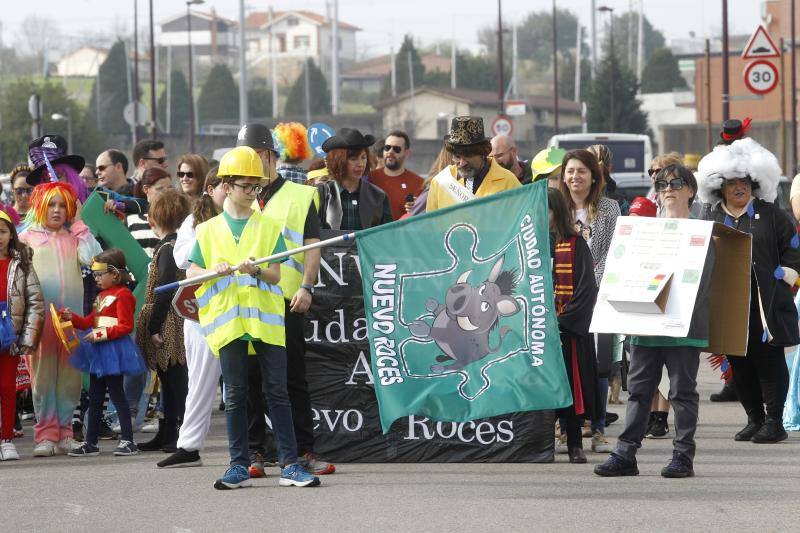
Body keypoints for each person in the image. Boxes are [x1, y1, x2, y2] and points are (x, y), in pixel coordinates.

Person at [187, 146, 319, 490]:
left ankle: (290, 464)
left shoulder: (269, 226)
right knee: (235, 395)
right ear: (227, 186)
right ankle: (238, 466)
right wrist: (209, 271)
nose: (253, 193)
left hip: (265, 323)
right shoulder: (207, 230)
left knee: (277, 392)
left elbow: (277, 275)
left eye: (256, 187)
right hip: (229, 325)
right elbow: (191, 272)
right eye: (247, 186)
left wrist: (258, 269)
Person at [595, 164, 713, 478]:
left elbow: (704, 284)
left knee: (682, 394)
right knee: (637, 392)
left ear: (690, 190)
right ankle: (625, 454)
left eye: (676, 183)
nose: (668, 189)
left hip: (683, 329)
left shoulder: (703, 231)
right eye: (662, 184)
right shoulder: (644, 231)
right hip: (645, 326)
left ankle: (683, 457)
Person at [697, 137, 799, 444]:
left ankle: (774, 421)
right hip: (728, 304)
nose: (738, 187)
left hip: (766, 304)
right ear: (720, 187)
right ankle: (754, 418)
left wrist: (784, 282)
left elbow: (794, 250)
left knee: (769, 361)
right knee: (738, 363)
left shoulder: (772, 215)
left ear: (753, 184)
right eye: (731, 183)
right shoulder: (711, 216)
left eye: (744, 182)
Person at [246, 125, 333, 478]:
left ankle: (302, 448)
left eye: (253, 157)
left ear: (269, 156)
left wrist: (308, 286)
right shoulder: (239, 197)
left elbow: (312, 245)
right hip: (249, 300)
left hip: (287, 298)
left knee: (292, 377)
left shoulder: (300, 195)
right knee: (251, 379)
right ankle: (255, 451)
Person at [19, 182, 102, 457]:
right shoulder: (26, 238)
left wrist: (79, 224)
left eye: (62, 205)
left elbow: (94, 259)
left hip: (71, 322)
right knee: (41, 376)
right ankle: (45, 434)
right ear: (40, 206)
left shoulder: (75, 237)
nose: (57, 210)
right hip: (40, 321)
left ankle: (65, 432)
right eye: (51, 204)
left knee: (70, 376)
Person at [158, 169, 225, 468]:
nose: (236, 189)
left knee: (255, 380)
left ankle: (266, 445)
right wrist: (214, 245)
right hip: (202, 310)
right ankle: (189, 445)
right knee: (199, 378)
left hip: (242, 307)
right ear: (211, 188)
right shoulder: (194, 221)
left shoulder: (252, 217)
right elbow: (181, 259)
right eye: (228, 184)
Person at [558, 148, 620, 454]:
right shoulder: (558, 207)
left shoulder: (608, 209)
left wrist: (590, 289)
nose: (575, 177)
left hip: (598, 298)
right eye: (570, 171)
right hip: (562, 303)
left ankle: (597, 428)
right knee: (566, 365)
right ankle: (564, 425)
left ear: (594, 175)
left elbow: (611, 252)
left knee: (598, 365)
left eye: (581, 171)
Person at [64, 249, 147, 457]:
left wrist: (99, 334)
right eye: (95, 274)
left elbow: (126, 325)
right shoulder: (101, 296)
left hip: (114, 349)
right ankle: (90, 442)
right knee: (95, 397)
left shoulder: (124, 295)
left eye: (100, 274)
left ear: (115, 274)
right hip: (99, 351)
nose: (97, 278)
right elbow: (88, 322)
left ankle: (128, 440)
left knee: (117, 395)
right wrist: (71, 317)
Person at [135, 189, 191, 454]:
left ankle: (179, 431)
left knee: (174, 379)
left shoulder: (168, 247)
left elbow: (166, 287)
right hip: (173, 316)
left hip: (168, 319)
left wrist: (155, 326)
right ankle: (167, 430)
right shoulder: (174, 244)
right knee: (168, 380)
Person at [548, 188, 599, 464]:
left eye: (547, 210)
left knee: (571, 387)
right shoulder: (528, 244)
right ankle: (542, 442)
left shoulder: (575, 244)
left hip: (567, 330)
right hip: (538, 333)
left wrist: (561, 322)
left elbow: (586, 290)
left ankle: (575, 443)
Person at [0, 209, 44, 461]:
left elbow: (36, 302)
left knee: (7, 387)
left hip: (10, 332)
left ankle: (7, 439)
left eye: (3, 232)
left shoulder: (22, 264)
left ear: (11, 235)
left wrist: (28, 338)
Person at [426, 116, 520, 212]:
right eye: (457, 156)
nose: (462, 163)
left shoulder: (508, 181)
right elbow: (431, 224)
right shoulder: (441, 182)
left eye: (468, 155)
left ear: (483, 153)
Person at [317, 128, 392, 230]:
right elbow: (313, 234)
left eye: (363, 157)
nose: (360, 164)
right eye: (353, 158)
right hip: (330, 246)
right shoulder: (322, 193)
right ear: (338, 161)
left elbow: (387, 234)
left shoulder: (379, 196)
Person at [368, 130, 424, 220]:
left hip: (404, 233)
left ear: (407, 153)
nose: (390, 151)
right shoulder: (369, 179)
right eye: (387, 147)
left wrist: (418, 209)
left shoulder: (418, 183)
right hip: (375, 233)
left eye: (396, 149)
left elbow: (424, 217)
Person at [25, 135, 89, 202]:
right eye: (46, 178)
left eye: (58, 175)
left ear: (69, 176)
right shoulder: (37, 210)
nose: (52, 183)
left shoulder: (89, 203)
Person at [127, 167, 173, 257]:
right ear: (146, 189)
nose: (166, 193)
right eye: (160, 189)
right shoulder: (131, 220)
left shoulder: (178, 220)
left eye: (169, 188)